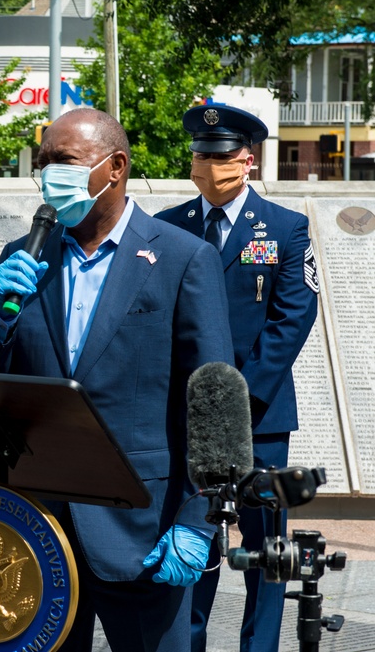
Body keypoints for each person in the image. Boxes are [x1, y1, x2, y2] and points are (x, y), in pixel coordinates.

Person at [0, 107, 235, 652]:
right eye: (43, 163)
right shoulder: (26, 256)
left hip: (142, 530)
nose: (48, 175)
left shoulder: (183, 258)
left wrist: (198, 520)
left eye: (63, 161)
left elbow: (214, 406)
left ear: (115, 167)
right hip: (38, 530)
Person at [156, 104, 319, 652]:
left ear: (247, 160)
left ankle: (260, 647)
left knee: (266, 548)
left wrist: (237, 400)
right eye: (200, 155)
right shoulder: (167, 228)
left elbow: (293, 317)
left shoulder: (285, 228)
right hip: (186, 416)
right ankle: (188, 642)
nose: (207, 164)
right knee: (191, 539)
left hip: (260, 414)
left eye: (220, 155)